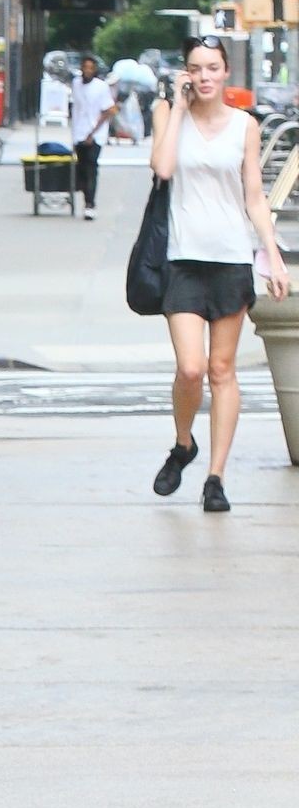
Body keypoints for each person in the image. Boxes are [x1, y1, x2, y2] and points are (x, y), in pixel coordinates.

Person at [149, 33, 290, 511]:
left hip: (231, 258)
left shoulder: (244, 125)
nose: (204, 76)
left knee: (222, 369)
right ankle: (183, 444)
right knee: (191, 368)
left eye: (212, 68)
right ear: (185, 73)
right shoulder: (169, 114)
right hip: (182, 258)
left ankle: (216, 478)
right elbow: (162, 167)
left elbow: (254, 197)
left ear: (226, 71)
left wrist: (272, 255)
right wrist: (178, 108)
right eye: (196, 68)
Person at [70, 53, 116, 220]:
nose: (88, 71)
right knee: (81, 169)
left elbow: (109, 110)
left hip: (95, 134)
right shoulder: (76, 84)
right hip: (79, 133)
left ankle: (90, 204)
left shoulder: (101, 87)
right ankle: (86, 200)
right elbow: (76, 109)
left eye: (91, 68)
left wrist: (93, 132)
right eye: (85, 67)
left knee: (91, 168)